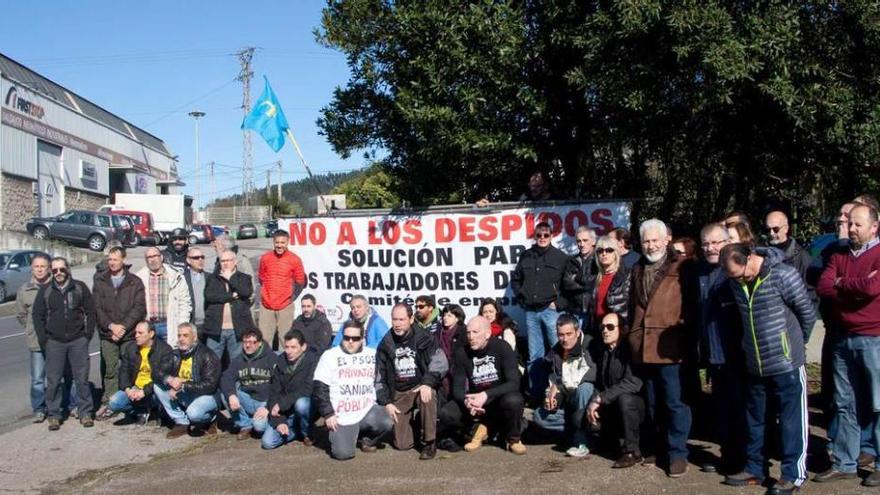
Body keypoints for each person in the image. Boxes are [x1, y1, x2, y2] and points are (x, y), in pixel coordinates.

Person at [720, 243, 816, 494]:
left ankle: (793, 474)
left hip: (786, 363)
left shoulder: (783, 274)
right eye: (732, 277)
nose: (737, 279)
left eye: (739, 273)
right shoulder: (735, 282)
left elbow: (806, 312)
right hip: (755, 363)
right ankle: (755, 468)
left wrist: (794, 346)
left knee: (791, 421)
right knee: (755, 419)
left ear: (749, 257)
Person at [815, 204, 880, 487]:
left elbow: (872, 289)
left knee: (878, 403)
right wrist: (852, 284)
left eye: (857, 224)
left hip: (874, 339)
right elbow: (824, 287)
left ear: (874, 226)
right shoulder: (839, 254)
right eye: (850, 223)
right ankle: (845, 462)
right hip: (843, 338)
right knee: (844, 403)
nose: (851, 228)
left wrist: (844, 284)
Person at [627, 218, 694, 477]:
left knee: (676, 403)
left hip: (671, 346)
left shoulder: (684, 266)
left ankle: (678, 454)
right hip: (644, 346)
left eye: (656, 239)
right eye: (646, 240)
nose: (651, 245)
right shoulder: (637, 268)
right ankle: (661, 448)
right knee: (653, 403)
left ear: (667, 239)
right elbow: (635, 305)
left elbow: (691, 306)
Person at [695, 223, 746, 474]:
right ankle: (728, 456)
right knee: (723, 409)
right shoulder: (700, 272)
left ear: (727, 243)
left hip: (736, 353)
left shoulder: (734, 272)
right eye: (706, 244)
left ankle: (747, 460)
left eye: (716, 243)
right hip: (713, 354)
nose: (710, 248)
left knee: (742, 408)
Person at [439, 316, 526, 455]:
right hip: (476, 403)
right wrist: (467, 402)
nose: (471, 337)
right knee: (446, 413)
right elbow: (458, 388)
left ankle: (513, 439)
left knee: (514, 400)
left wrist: (486, 395)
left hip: (499, 398)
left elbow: (514, 383)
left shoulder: (502, 347)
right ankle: (477, 430)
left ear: (487, 333)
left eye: (475, 332)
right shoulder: (462, 353)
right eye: (468, 333)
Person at [313, 319, 393, 460]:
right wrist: (328, 413)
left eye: (355, 338)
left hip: (367, 411)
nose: (350, 341)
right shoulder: (329, 356)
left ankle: (366, 438)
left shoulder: (372, 355)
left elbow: (382, 380)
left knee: (389, 421)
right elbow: (320, 388)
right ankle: (340, 436)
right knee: (343, 454)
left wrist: (387, 402)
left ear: (362, 339)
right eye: (346, 337)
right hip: (341, 417)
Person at [376, 304, 448, 459]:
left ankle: (430, 442)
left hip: (419, 387)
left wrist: (428, 383)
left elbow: (440, 363)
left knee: (427, 396)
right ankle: (416, 425)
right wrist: (386, 402)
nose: (398, 323)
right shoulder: (385, 344)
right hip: (399, 393)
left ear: (411, 319)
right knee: (402, 445)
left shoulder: (425, 337)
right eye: (395, 319)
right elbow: (378, 377)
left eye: (402, 319)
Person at [32, 257, 96, 430]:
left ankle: (85, 413)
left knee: (81, 379)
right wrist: (44, 339)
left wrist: (87, 335)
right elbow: (37, 316)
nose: (58, 273)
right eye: (55, 270)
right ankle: (54, 415)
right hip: (54, 342)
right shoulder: (46, 291)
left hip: (77, 341)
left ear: (68, 269)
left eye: (62, 269)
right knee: (53, 380)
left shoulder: (80, 287)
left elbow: (91, 311)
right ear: (51, 272)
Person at [510, 221, 568, 401]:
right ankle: (537, 397)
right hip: (531, 312)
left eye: (546, 235)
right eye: (539, 235)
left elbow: (570, 285)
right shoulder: (526, 256)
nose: (542, 238)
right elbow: (516, 279)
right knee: (535, 356)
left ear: (552, 236)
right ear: (534, 236)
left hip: (551, 312)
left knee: (559, 353)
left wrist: (559, 303)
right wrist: (522, 298)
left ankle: (562, 395)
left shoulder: (561, 257)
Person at [532, 314, 597, 458]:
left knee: (585, 388)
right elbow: (553, 382)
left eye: (569, 334)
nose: (565, 339)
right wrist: (552, 399)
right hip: (569, 405)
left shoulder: (588, 345)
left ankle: (582, 442)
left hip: (589, 402)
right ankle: (577, 430)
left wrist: (558, 385)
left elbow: (590, 375)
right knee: (538, 417)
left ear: (577, 332)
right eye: (561, 335)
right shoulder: (555, 353)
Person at [93, 246, 146, 420]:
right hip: (108, 334)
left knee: (131, 369)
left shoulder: (135, 282)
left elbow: (139, 308)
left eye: (115, 259)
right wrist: (111, 326)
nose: (112, 262)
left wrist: (122, 327)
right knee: (110, 370)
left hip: (129, 334)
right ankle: (110, 402)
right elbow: (97, 308)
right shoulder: (100, 281)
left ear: (123, 259)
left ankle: (132, 405)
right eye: (110, 259)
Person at [586, 312, 644, 468]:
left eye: (610, 327)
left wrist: (601, 398)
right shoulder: (604, 352)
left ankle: (633, 452)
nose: (605, 330)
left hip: (636, 406)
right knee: (581, 415)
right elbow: (600, 383)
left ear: (621, 329)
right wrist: (594, 401)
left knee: (625, 399)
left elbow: (633, 382)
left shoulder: (629, 350)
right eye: (602, 327)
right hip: (613, 403)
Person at [154, 323, 221, 439]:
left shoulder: (207, 355)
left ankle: (212, 419)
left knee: (194, 414)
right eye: (179, 336)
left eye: (185, 335)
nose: (181, 339)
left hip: (207, 395)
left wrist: (182, 385)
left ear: (194, 337)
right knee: (158, 386)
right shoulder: (175, 354)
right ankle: (182, 422)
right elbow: (156, 372)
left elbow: (210, 385)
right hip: (185, 393)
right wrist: (170, 380)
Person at [108, 321, 174, 425]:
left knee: (160, 393)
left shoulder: (165, 350)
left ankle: (159, 410)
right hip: (136, 387)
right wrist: (128, 389)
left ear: (151, 334)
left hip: (153, 389)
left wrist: (144, 392)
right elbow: (124, 371)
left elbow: (162, 378)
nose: (136, 336)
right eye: (136, 333)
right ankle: (141, 410)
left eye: (140, 333)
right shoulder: (131, 348)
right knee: (114, 403)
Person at [262, 330, 318, 449]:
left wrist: (281, 404)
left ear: (303, 347)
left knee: (301, 404)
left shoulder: (313, 361)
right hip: (286, 411)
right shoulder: (280, 361)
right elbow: (274, 392)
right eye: (286, 347)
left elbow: (308, 389)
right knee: (268, 442)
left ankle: (307, 433)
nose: (289, 351)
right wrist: (279, 421)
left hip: (306, 406)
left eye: (293, 347)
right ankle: (295, 430)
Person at [221, 329, 278, 440]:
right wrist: (232, 395)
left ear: (260, 343)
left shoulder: (271, 358)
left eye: (252, 342)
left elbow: (280, 384)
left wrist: (268, 407)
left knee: (259, 428)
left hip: (265, 401)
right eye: (245, 342)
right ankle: (245, 425)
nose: (248, 345)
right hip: (248, 399)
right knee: (226, 394)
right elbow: (226, 377)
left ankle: (261, 421)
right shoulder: (238, 360)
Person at [17, 253, 54, 423]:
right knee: (38, 378)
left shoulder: (56, 286)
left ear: (48, 268)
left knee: (58, 375)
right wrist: (31, 329)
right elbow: (21, 315)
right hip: (36, 341)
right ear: (32, 268)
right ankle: (39, 408)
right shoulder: (25, 290)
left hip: (56, 339)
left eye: (43, 266)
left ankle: (60, 406)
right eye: (36, 267)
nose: (39, 270)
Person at [258, 229, 306, 350]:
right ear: (273, 242)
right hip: (266, 305)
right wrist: (266, 295)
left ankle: (283, 367)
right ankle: (266, 366)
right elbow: (261, 277)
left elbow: (300, 282)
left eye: (282, 242)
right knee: (264, 339)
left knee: (285, 340)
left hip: (285, 306)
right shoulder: (265, 258)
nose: (279, 245)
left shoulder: (295, 259)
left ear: (287, 242)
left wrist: (291, 299)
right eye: (277, 242)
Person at [204, 249, 255, 362]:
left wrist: (230, 279)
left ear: (235, 261)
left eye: (229, 260)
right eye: (223, 261)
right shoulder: (213, 279)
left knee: (237, 362)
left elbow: (246, 292)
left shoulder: (244, 278)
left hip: (238, 328)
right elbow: (210, 296)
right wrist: (232, 296)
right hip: (216, 328)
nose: (226, 263)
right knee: (212, 362)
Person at [137, 247, 192, 347]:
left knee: (170, 357)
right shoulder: (139, 278)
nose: (152, 259)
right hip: (149, 326)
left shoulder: (176, 276)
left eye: (155, 256)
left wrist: (182, 324)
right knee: (149, 358)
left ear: (161, 257)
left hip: (168, 324)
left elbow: (184, 302)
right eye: (149, 257)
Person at [588, 235, 631, 334]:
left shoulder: (626, 275)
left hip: (618, 330)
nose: (604, 253)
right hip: (598, 329)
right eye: (600, 251)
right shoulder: (595, 277)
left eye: (609, 250)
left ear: (616, 253)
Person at [562, 226, 598, 325]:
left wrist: (576, 278)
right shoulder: (572, 261)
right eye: (579, 241)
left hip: (593, 311)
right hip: (575, 311)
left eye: (585, 240)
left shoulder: (599, 260)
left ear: (593, 242)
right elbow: (567, 284)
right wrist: (586, 284)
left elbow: (595, 283)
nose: (581, 244)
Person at [183, 247, 208, 333]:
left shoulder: (210, 277)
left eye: (202, 257)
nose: (200, 260)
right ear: (188, 260)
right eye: (196, 258)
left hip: (207, 325)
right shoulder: (182, 278)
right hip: (190, 325)